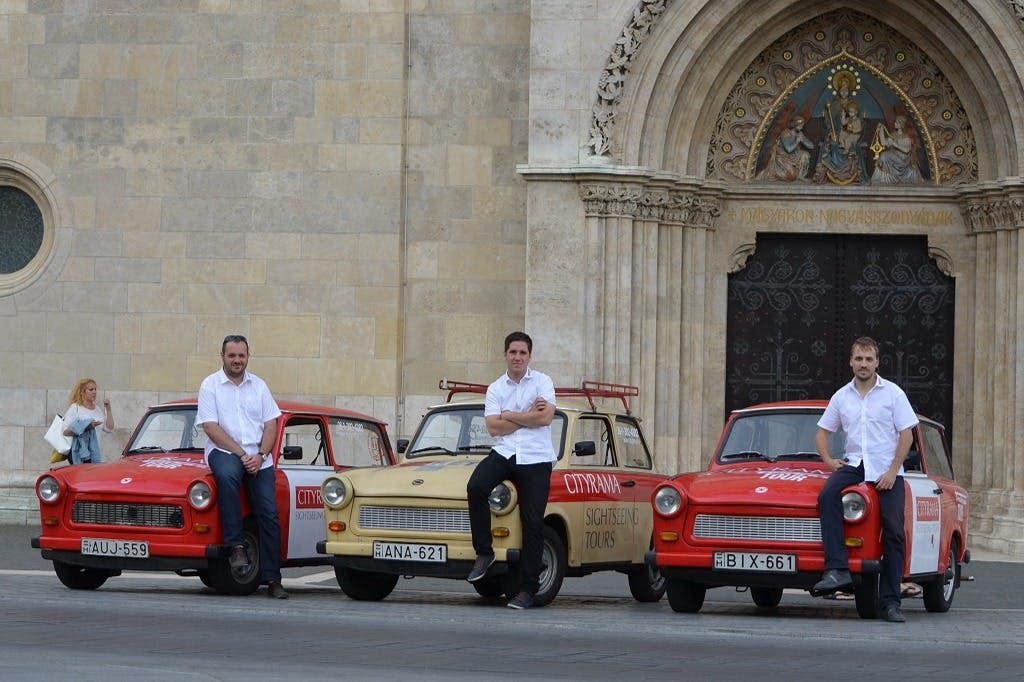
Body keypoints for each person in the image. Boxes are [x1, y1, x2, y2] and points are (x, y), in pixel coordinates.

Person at [813, 336, 918, 623]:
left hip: (887, 468)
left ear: (877, 362)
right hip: (856, 464)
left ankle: (890, 603)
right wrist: (828, 460)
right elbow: (823, 432)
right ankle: (837, 569)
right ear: (851, 361)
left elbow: (906, 433)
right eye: (858, 359)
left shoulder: (893, 394)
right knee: (827, 495)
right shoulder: (841, 396)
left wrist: (893, 470)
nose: (863, 364)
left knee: (894, 531)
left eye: (868, 359)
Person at [466, 331, 556, 610]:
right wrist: (528, 415)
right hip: (505, 452)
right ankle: (484, 552)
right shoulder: (496, 388)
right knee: (475, 486)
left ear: (529, 356)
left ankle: (528, 590)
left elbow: (546, 417)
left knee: (532, 521)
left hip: (536, 457)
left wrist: (510, 415)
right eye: (513, 352)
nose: (518, 357)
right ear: (505, 354)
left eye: (523, 353)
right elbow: (494, 428)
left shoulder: (543, 381)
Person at [196, 334, 287, 599]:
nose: (237, 360)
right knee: (227, 477)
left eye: (241, 356)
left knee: (269, 513)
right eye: (232, 355)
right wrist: (242, 454)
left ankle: (273, 579)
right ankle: (235, 546)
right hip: (225, 452)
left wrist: (259, 455)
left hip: (260, 457)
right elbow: (211, 427)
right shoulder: (210, 385)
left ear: (248, 357)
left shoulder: (259, 386)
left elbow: (272, 424)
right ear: (222, 356)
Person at [62, 378, 114, 465]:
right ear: (82, 392)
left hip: (94, 454)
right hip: (79, 454)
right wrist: (86, 427)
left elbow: (109, 428)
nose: (94, 392)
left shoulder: (97, 409)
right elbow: (65, 431)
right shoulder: (75, 408)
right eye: (91, 389)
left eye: (95, 389)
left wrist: (108, 409)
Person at [871, 115, 922, 184]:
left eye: (897, 123)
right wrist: (881, 130)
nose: (895, 124)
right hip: (894, 157)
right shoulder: (893, 135)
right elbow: (884, 143)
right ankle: (885, 177)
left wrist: (895, 145)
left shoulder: (906, 137)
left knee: (884, 155)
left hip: (902, 160)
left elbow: (907, 150)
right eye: (895, 122)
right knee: (883, 155)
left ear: (901, 125)